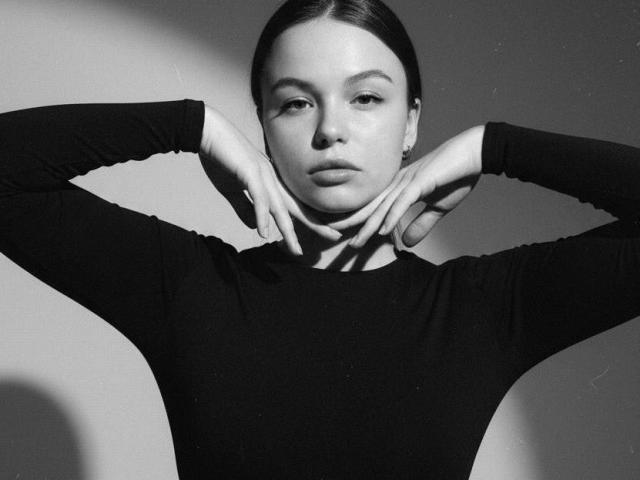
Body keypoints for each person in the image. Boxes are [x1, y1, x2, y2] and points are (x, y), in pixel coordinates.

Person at [0, 0, 638, 478]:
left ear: (411, 122)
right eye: (296, 103)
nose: (331, 129)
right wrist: (192, 126)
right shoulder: (193, 288)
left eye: (366, 98)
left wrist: (493, 146)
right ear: (263, 127)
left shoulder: (479, 309)